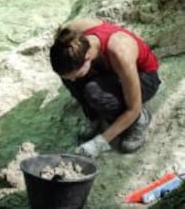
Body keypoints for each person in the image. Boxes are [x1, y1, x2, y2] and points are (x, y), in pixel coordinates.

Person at [49, 17, 161, 158]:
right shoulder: (71, 36)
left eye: (77, 74)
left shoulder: (120, 52)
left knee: (94, 93)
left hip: (144, 77)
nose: (72, 80)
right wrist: (73, 78)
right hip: (110, 68)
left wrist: (98, 143)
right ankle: (95, 118)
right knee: (71, 79)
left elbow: (133, 108)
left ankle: (140, 119)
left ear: (88, 56)